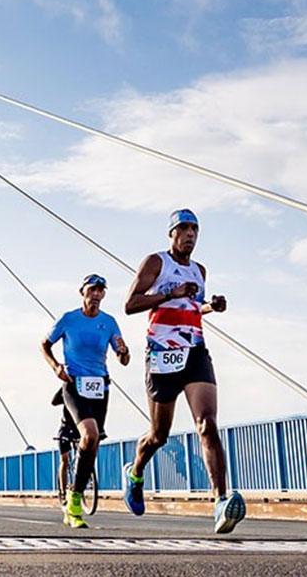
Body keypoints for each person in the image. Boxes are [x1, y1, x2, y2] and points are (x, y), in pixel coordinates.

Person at [121, 209, 244, 534]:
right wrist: (169, 293)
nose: (190, 234)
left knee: (207, 424)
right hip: (162, 354)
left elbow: (191, 305)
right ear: (172, 233)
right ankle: (135, 473)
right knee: (159, 435)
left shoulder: (200, 270)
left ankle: (220, 502)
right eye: (184, 229)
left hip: (194, 351)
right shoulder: (156, 262)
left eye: (195, 229)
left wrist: (209, 307)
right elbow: (131, 304)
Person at [42, 273, 129, 528]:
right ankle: (74, 500)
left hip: (100, 387)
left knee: (92, 444)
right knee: (89, 435)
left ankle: (74, 497)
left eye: (101, 290)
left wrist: (124, 351)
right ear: (82, 292)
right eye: (92, 289)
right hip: (73, 384)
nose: (96, 294)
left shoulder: (109, 322)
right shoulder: (69, 319)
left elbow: (123, 359)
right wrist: (56, 366)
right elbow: (44, 345)